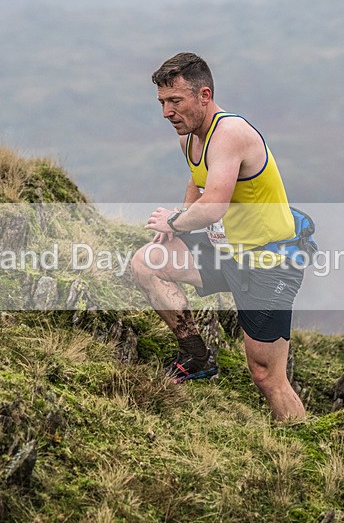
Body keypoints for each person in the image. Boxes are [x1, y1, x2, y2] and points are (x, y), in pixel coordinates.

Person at [130, 52, 306, 421]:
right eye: (162, 102)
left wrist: (175, 223)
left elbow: (213, 207)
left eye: (175, 101)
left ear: (204, 95)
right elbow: (198, 184)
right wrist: (176, 226)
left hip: (269, 261)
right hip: (226, 252)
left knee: (266, 375)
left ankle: (300, 441)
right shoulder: (189, 137)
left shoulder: (230, 134)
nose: (166, 112)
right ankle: (196, 356)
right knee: (147, 262)